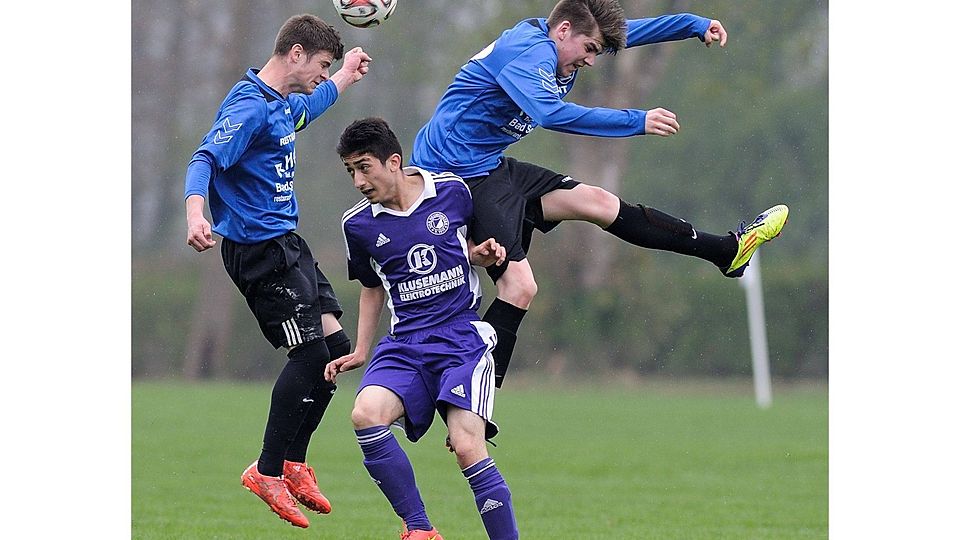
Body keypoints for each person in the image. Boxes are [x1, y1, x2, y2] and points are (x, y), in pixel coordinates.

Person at [410, 0, 789, 388]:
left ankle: (726, 251)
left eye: (596, 50)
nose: (591, 60)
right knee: (520, 287)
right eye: (589, 50)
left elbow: (630, 34)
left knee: (598, 202)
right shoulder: (527, 55)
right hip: (451, 177)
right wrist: (636, 120)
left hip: (487, 165)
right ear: (563, 31)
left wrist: (694, 24)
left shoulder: (566, 40)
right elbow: (550, 114)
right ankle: (463, 395)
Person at [183, 14, 371, 528]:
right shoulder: (247, 107)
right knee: (310, 356)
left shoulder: (281, 105)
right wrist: (197, 213)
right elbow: (204, 159)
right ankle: (265, 471)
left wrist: (345, 76)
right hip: (258, 253)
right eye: (322, 64)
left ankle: (293, 462)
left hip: (289, 245)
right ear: (295, 54)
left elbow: (309, 106)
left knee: (336, 352)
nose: (321, 73)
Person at [327, 117, 519, 540]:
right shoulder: (357, 225)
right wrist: (361, 349)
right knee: (365, 414)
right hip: (405, 345)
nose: (358, 181)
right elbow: (372, 286)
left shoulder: (452, 191)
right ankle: (420, 530)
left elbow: (465, 248)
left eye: (364, 167)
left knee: (468, 448)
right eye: (350, 171)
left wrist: (481, 255)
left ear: (393, 161)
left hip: (461, 339)